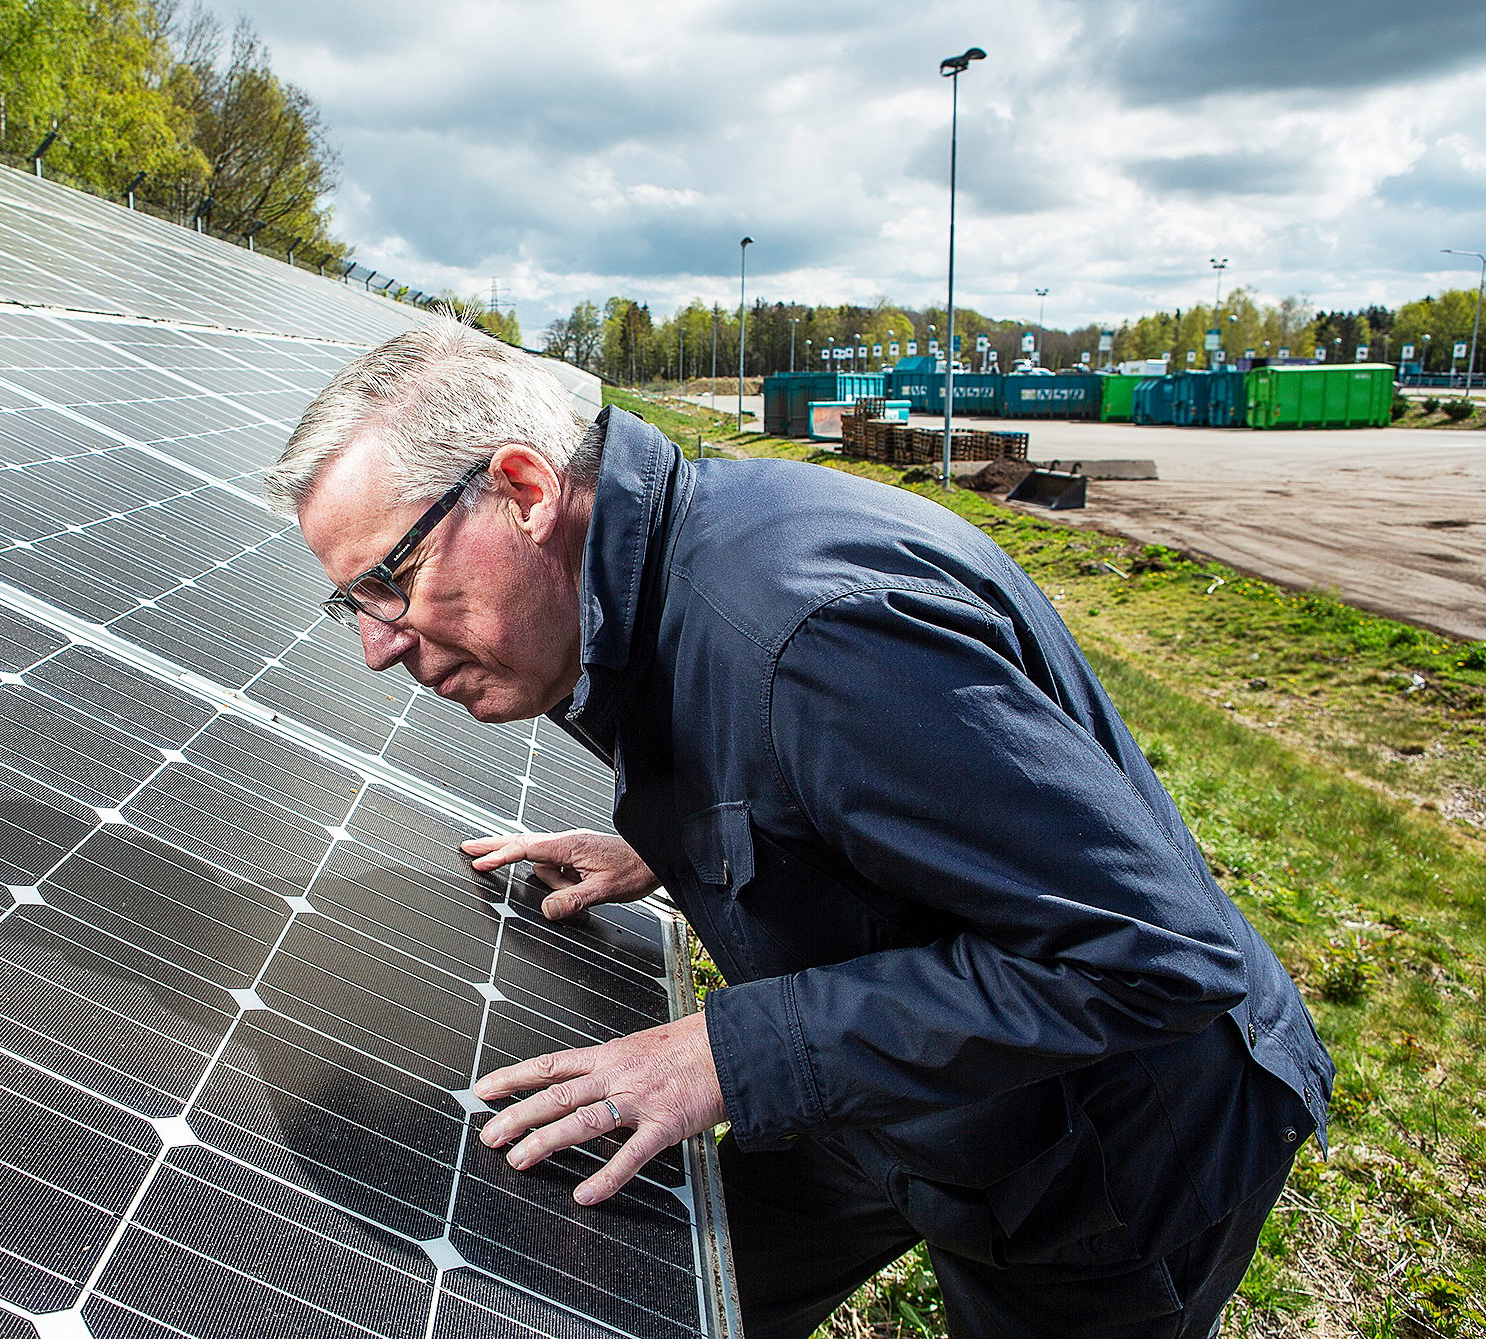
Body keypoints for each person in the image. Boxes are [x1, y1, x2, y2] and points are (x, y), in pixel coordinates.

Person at [264, 316, 1332, 1339]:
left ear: (524, 491)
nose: (376, 646)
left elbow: (1155, 954)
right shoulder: (648, 581)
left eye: (387, 583)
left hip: (1109, 1139)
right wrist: (678, 833)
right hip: (899, 1086)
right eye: (348, 603)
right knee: (668, 1292)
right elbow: (851, 775)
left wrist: (729, 1052)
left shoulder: (815, 638)